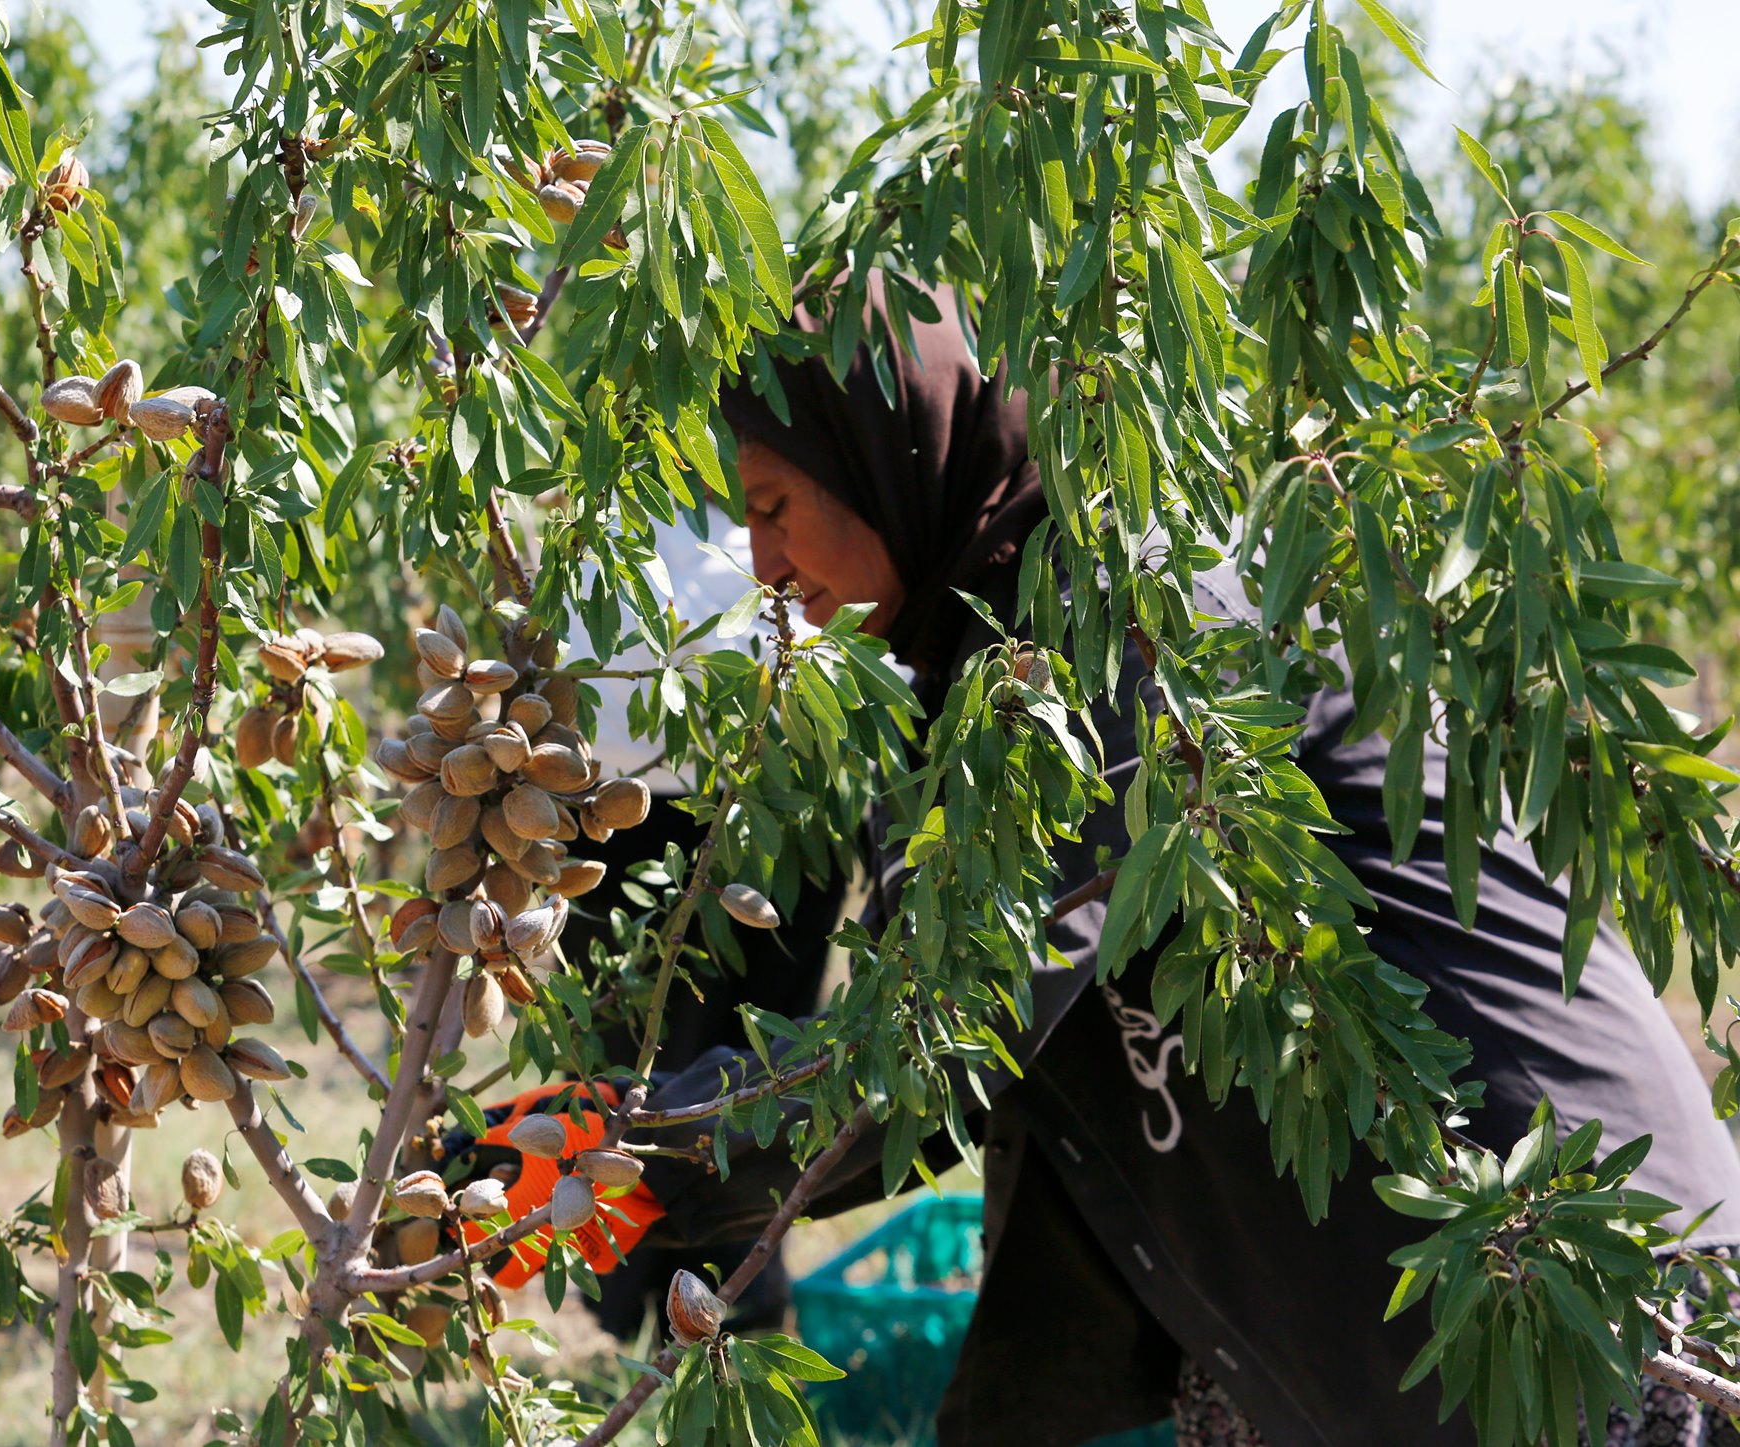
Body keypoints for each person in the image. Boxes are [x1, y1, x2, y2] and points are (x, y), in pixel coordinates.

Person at [462, 278, 1740, 1446]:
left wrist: (639, 1144)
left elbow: (936, 1048)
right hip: (1351, 1323)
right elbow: (1017, 1098)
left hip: (1556, 1283)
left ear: (885, 457)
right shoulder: (962, 690)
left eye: (772, 507)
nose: (762, 566)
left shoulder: (1109, 632)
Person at [557, 515, 843, 1338]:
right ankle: (633, 1289)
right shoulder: (609, 472)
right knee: (629, 1055)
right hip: (618, 778)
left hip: (786, 766)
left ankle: (735, 1303)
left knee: (760, 1063)